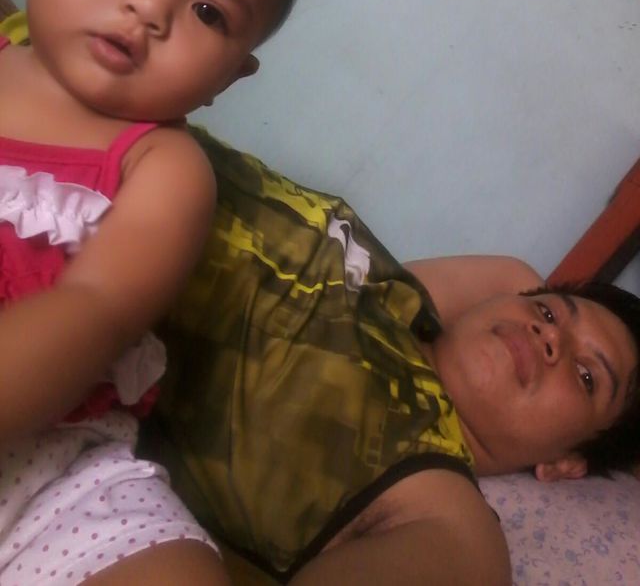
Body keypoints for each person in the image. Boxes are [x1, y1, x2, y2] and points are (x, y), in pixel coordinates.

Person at [0, 0, 316, 586]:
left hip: (50, 469)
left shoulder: (164, 166)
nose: (150, 7)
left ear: (229, 77)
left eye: (209, 11)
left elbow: (97, 307)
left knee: (177, 570)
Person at [140, 132, 640, 585]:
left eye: (586, 376)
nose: (548, 336)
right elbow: (515, 278)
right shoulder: (402, 300)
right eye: (549, 313)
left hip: (119, 261)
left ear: (566, 463)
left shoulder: (443, 512)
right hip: (144, 145)